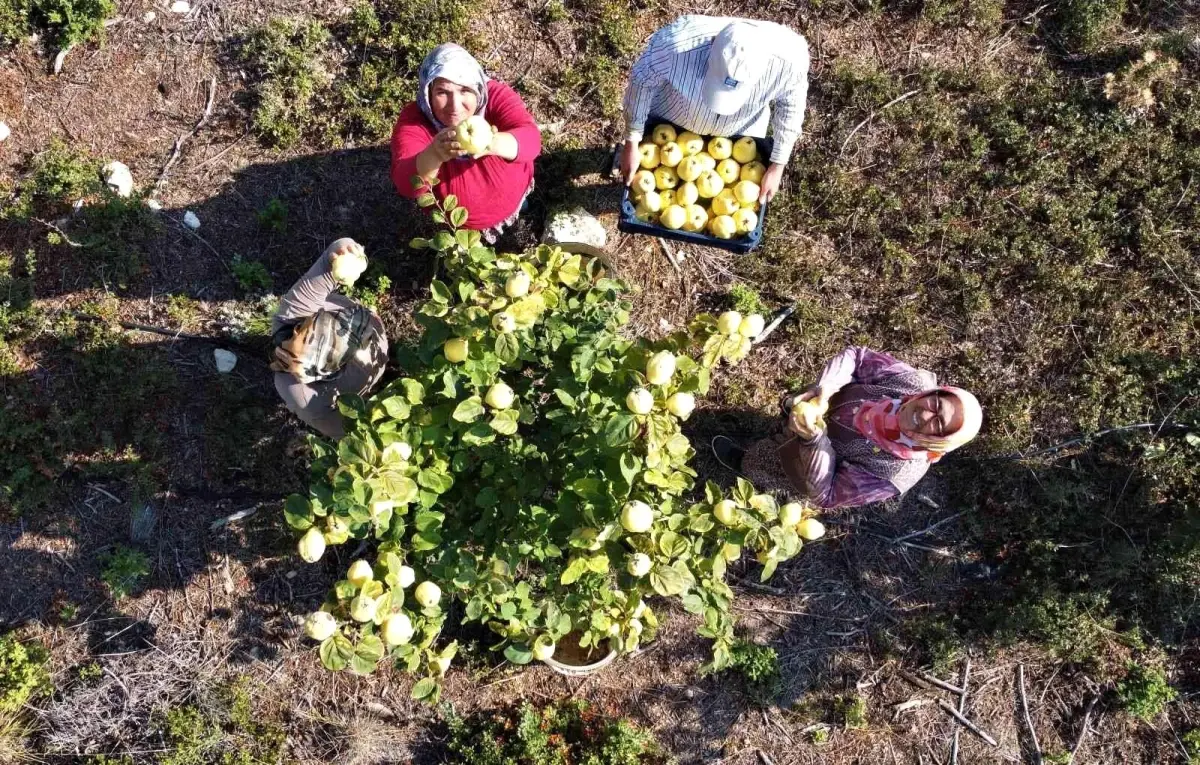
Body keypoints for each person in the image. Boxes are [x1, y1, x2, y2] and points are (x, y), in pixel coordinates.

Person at [713, 347, 982, 509]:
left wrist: (813, 441)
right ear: (934, 392)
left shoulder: (895, 474)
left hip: (808, 460)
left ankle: (745, 464)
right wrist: (824, 390)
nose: (925, 413)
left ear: (938, 443)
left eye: (938, 424)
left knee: (768, 462)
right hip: (823, 408)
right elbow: (858, 357)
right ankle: (781, 424)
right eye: (935, 403)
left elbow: (826, 495)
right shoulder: (911, 382)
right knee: (789, 415)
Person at [618, 15, 810, 205]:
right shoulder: (676, 46)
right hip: (671, 118)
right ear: (711, 47)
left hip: (739, 141)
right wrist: (632, 141)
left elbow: (791, 106)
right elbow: (642, 82)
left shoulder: (790, 63)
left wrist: (778, 165)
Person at [390, 43, 542, 244]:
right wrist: (435, 154)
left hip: (514, 192)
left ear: (478, 88)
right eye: (442, 92)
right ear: (428, 92)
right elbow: (405, 184)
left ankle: (517, 208)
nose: (455, 106)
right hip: (463, 224)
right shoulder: (415, 121)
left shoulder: (494, 97)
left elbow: (531, 140)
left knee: (518, 207)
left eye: (464, 91)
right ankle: (476, 236)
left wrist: (491, 143)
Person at [270, 238, 388, 439]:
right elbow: (347, 433)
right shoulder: (302, 395)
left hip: (374, 352)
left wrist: (344, 251)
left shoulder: (292, 315)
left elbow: (327, 261)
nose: (298, 331)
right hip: (356, 391)